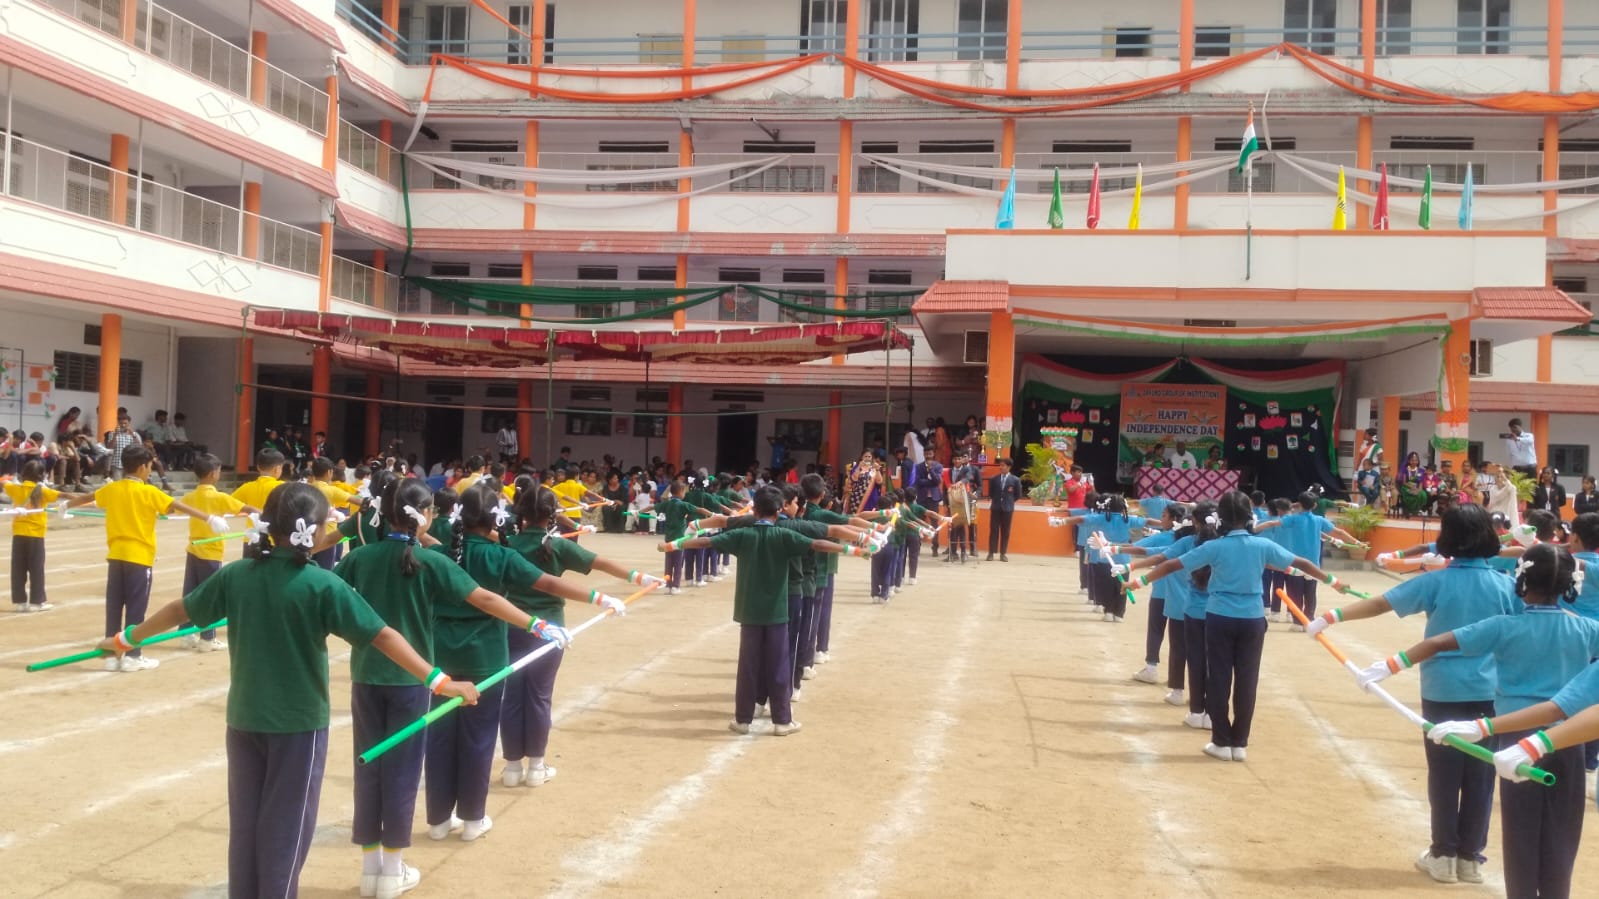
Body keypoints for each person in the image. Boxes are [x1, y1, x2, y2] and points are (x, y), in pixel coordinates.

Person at [95, 483, 479, 899]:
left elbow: (179, 609)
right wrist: (439, 680)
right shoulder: (320, 584)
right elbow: (382, 636)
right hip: (299, 726)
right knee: (287, 826)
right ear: (314, 531)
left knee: (246, 823)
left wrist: (126, 638)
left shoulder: (237, 574)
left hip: (244, 719)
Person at [335, 477, 570, 897]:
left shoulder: (360, 557)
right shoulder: (431, 561)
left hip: (366, 678)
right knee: (403, 772)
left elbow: (330, 597)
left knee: (369, 771)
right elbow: (486, 599)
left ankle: (371, 869)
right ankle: (392, 870)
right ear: (425, 514)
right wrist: (537, 624)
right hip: (414, 680)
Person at [1359, 543, 1598, 895]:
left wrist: (1389, 666)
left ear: (1521, 579)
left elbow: (1438, 643)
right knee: (1562, 835)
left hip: (1515, 738)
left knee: (1520, 833)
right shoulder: (1588, 630)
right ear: (1569, 585)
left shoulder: (1505, 626)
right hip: (1569, 738)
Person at [1304, 503, 1519, 885]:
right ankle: (1469, 858)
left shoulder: (1437, 581)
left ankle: (1443, 855)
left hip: (1443, 689)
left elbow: (1380, 604)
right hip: (1491, 691)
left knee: (1445, 775)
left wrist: (1330, 617)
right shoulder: (1505, 585)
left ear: (1447, 537)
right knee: (1481, 775)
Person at [427, 485, 614, 837]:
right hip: (485, 656)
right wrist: (599, 597)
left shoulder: (439, 554)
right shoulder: (501, 555)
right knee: (478, 737)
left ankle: (438, 821)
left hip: (441, 655)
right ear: (494, 519)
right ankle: (472, 819)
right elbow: (548, 584)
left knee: (439, 736)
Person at [1129, 490, 1349, 762]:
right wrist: (1334, 582)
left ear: (1220, 517)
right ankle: (1240, 743)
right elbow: (1302, 562)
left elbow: (1173, 564)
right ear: (1249, 516)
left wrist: (1138, 582)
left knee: (1219, 678)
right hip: (1253, 618)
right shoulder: (1262, 545)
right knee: (1247, 680)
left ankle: (1221, 742)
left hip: (1219, 616)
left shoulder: (1215, 546)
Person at [661, 485, 863, 735]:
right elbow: (819, 544)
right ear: (779, 511)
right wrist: (853, 549)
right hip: (777, 612)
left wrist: (673, 545)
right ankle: (782, 721)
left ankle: (743, 719)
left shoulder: (742, 535)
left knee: (748, 666)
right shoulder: (784, 535)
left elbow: (705, 541)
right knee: (779, 664)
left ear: (754, 510)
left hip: (749, 612)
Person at [498, 485, 659, 788]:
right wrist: (637, 577)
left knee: (513, 697)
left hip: (511, 626)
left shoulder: (507, 545)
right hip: (550, 630)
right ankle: (536, 767)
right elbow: (600, 562)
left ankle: (512, 768)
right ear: (553, 514)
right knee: (539, 696)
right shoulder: (557, 545)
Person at [62, 444, 232, 671]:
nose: (150, 470)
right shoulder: (149, 492)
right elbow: (177, 505)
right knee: (136, 608)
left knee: (114, 606)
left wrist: (66, 504)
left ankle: (111, 656)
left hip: (116, 556)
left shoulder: (112, 488)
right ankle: (133, 655)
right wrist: (209, 518)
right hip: (139, 558)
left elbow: (88, 497)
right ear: (143, 467)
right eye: (150, 466)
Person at [179, 454, 260, 651]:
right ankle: (208, 638)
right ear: (213, 474)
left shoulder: (190, 497)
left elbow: (174, 510)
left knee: (190, 592)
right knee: (211, 595)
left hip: (193, 550)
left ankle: (186, 633)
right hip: (211, 553)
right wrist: (263, 514)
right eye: (219, 471)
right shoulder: (219, 497)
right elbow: (246, 508)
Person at [5, 460, 87, 612]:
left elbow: (5, 484)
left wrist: (7, 479)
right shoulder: (43, 491)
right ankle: (37, 602)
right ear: (41, 475)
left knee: (18, 569)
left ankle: (20, 602)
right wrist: (85, 499)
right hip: (36, 535)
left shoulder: (15, 488)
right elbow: (64, 495)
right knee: (36, 569)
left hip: (19, 534)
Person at [986, 458, 1022, 562]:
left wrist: (1008, 502)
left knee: (1005, 531)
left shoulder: (1015, 480)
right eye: (1000, 465)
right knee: (994, 530)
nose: (1001, 467)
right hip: (996, 507)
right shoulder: (994, 479)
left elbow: (1017, 495)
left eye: (1003, 465)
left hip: (1008, 509)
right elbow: (991, 493)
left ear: (1009, 467)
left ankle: (1003, 553)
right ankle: (991, 552)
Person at [233, 448, 287, 512]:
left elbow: (230, 504)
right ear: (277, 469)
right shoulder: (283, 487)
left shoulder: (246, 487)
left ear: (258, 467)